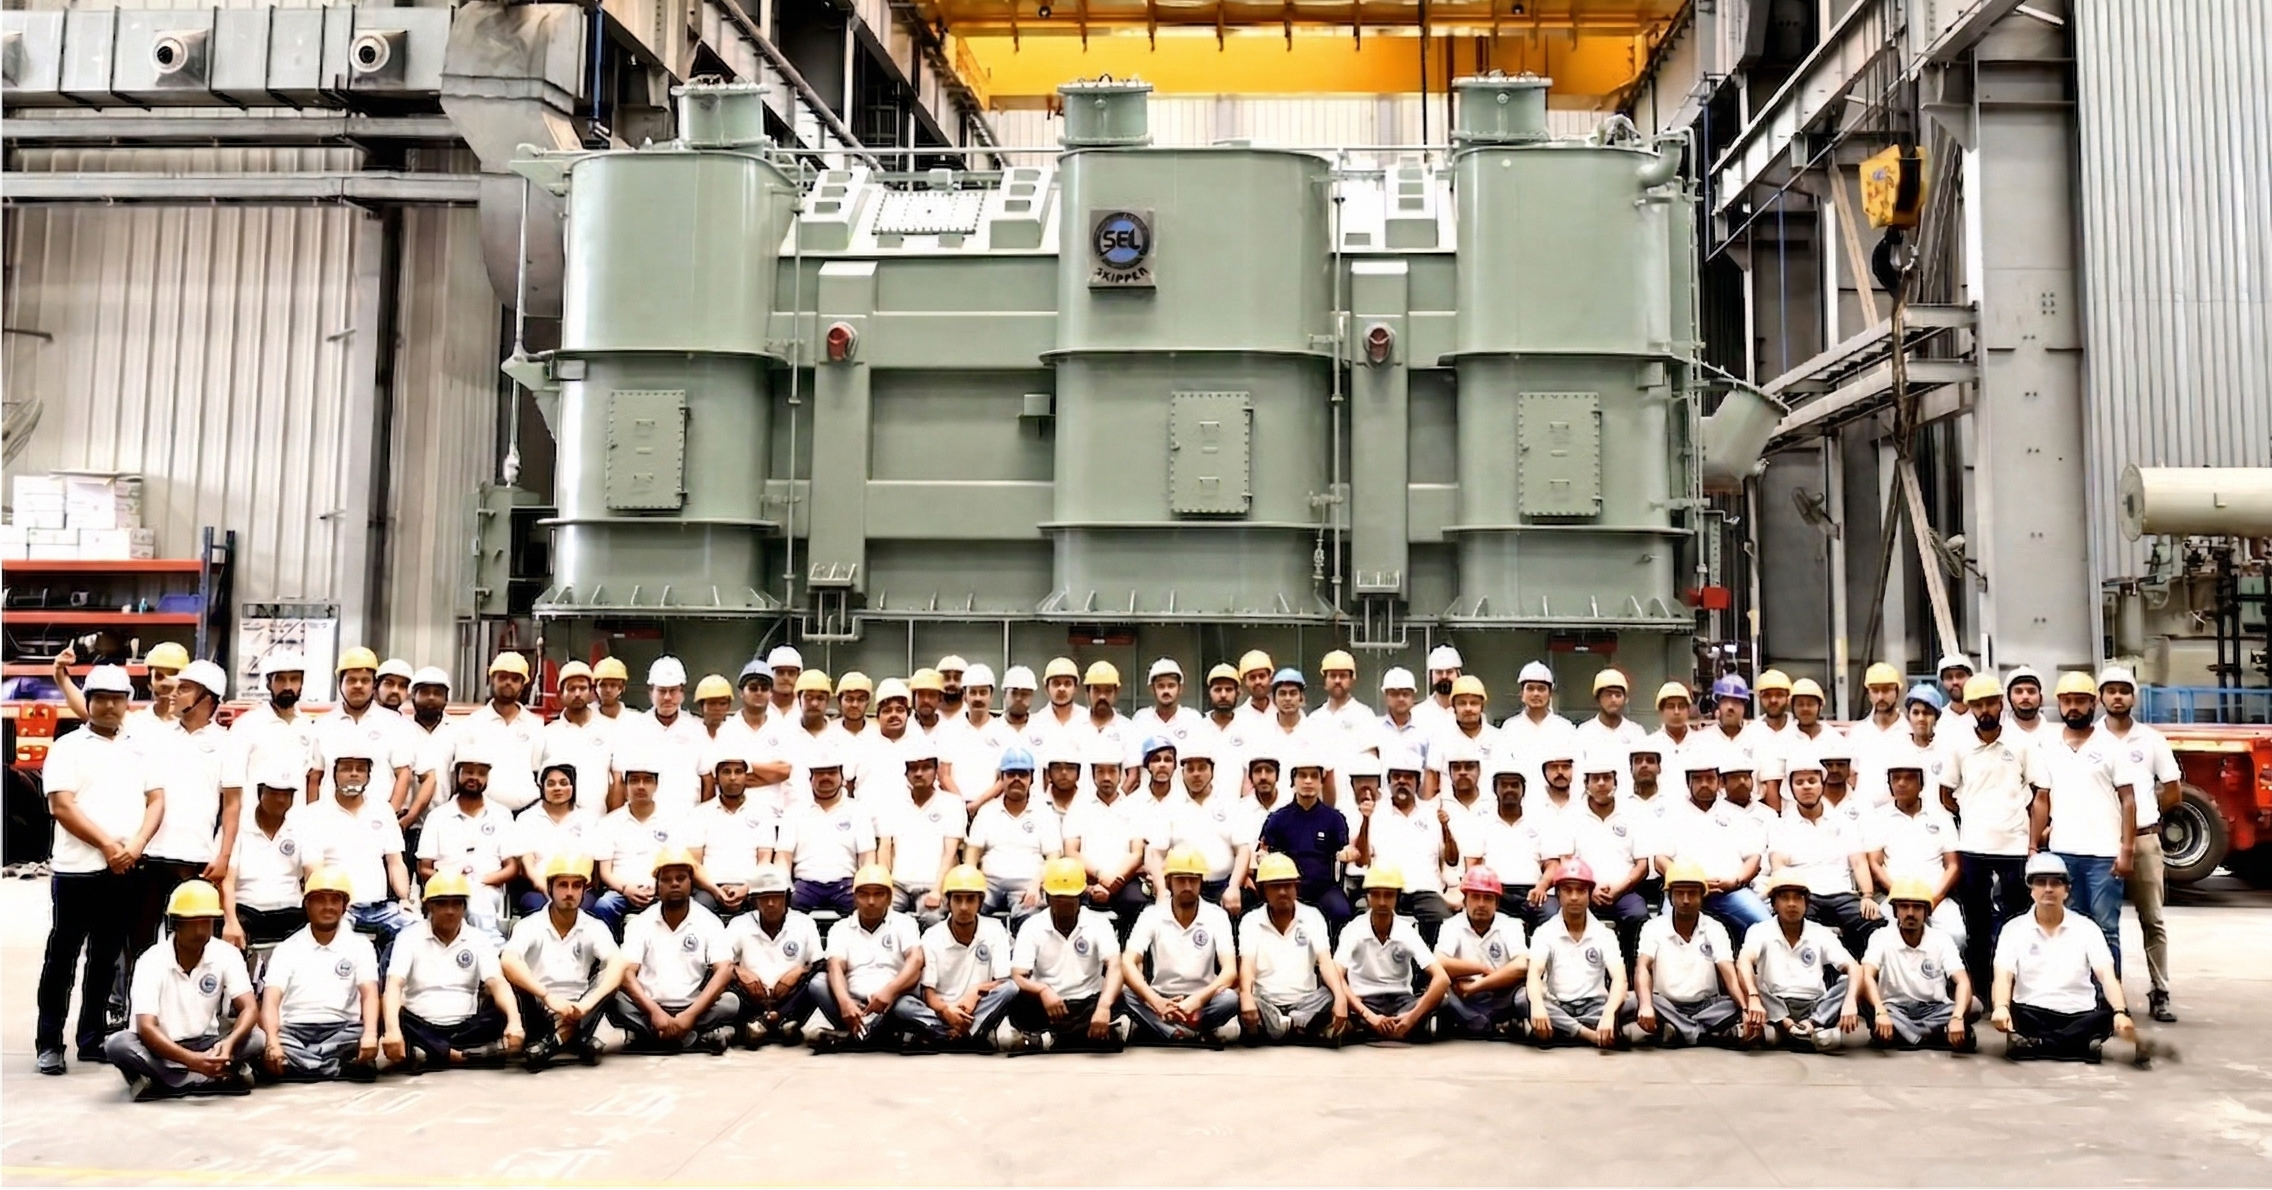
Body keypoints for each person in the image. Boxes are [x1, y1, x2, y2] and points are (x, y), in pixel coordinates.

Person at [34, 664, 164, 1075]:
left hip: (125, 869)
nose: (110, 706)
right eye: (101, 698)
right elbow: (61, 805)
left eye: (117, 698)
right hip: (78, 871)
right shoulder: (68, 748)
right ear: (87, 702)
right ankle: (49, 1043)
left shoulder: (140, 748)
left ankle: (91, 1038)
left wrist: (137, 844)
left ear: (128, 702)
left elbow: (156, 799)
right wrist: (108, 845)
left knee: (106, 960)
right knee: (63, 959)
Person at [131, 659, 241, 994]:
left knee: (194, 946)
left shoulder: (227, 743)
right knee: (142, 945)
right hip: (152, 856)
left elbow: (233, 804)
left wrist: (223, 856)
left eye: (184, 688)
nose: (173, 693)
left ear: (207, 697)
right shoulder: (158, 737)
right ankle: (139, 1015)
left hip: (198, 861)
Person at [1939, 672, 2049, 992]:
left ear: (2001, 703)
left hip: (2014, 848)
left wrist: (2031, 844)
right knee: (1977, 924)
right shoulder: (1959, 745)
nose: (1985, 710)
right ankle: (1983, 991)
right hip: (1973, 846)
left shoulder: (2022, 743)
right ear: (1970, 707)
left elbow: (2040, 794)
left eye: (1990, 702)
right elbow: (1946, 794)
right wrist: (1974, 814)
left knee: (2016, 924)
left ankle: (2014, 988)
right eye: (1978, 705)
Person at [103, 879, 259, 1099]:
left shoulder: (226, 954)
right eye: (191, 922)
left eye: (205, 922)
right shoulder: (150, 960)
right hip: (160, 1045)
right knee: (117, 1045)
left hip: (207, 1042)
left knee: (256, 1038)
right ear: (175, 923)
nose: (199, 930)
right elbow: (146, 1027)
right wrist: (192, 1061)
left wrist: (228, 1044)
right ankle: (209, 1078)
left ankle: (165, 1081)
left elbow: (249, 1008)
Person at [1992, 853, 2139, 1063]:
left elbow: (2107, 976)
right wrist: (2000, 1007)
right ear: (2031, 889)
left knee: (2104, 1018)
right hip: (2031, 1012)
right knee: (2014, 1014)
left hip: (2078, 1013)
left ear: (2067, 889)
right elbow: (2003, 976)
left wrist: (2120, 1011)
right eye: (2041, 883)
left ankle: (2038, 1044)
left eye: (2056, 883)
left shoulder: (2087, 928)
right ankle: (2078, 1046)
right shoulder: (2013, 929)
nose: (2049, 889)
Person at [2097, 664, 2181, 1022]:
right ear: (2100, 697)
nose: (2117, 696)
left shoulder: (2150, 740)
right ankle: (2106, 994)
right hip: (2101, 842)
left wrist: (2147, 816)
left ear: (2133, 696)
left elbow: (2173, 789)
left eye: (2124, 690)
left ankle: (2159, 991)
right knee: (2102, 923)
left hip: (2145, 841)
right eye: (2110, 690)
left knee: (2152, 918)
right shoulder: (2090, 738)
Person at [2039, 671, 2136, 970]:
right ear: (2058, 703)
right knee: (2068, 928)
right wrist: (2034, 846)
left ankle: (2110, 1000)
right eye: (2067, 701)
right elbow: (2041, 798)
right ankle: (2078, 997)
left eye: (2080, 701)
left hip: (2104, 856)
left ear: (2093, 703)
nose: (2073, 708)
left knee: (2106, 929)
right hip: (2063, 853)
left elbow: (2129, 800)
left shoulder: (2111, 745)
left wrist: (2127, 850)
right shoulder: (2049, 745)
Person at [381, 870, 522, 1071]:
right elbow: (394, 984)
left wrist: (514, 1021)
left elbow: (496, 982)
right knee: (385, 1008)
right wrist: (393, 1030)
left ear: (464, 907)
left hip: (465, 1027)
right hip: (421, 1024)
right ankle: (460, 1054)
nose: (450, 910)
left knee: (510, 1004)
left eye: (456, 903)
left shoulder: (478, 938)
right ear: (429, 905)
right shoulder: (408, 937)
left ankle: (432, 1053)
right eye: (442, 903)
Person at [502, 854, 626, 1070]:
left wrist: (586, 1004)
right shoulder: (530, 925)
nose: (569, 892)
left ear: (584, 890)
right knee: (511, 975)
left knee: (612, 974)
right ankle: (576, 1039)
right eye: (563, 885)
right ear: (550, 888)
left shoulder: (594, 926)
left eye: (576, 885)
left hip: (581, 1007)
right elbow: (508, 960)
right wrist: (547, 996)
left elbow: (616, 963)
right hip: (540, 1005)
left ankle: (554, 1042)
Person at [610, 848, 739, 1054]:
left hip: (693, 1008)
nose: (675, 884)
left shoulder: (709, 921)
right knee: (612, 998)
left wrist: (690, 1015)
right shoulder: (640, 923)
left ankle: (654, 1037)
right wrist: (654, 1012)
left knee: (730, 1003)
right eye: (667, 879)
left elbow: (724, 969)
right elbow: (626, 973)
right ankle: (690, 1037)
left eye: (681, 878)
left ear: (691, 882)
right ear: (657, 885)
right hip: (648, 1008)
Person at [258, 868, 381, 1082]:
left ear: (344, 906)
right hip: (294, 1031)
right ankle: (332, 1067)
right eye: (320, 900)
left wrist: (370, 1034)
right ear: (307, 904)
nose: (328, 907)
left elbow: (369, 994)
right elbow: (270, 1000)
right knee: (259, 1041)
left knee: (364, 1034)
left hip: (341, 1029)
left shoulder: (360, 946)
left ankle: (301, 1067)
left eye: (335, 900)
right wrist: (272, 1042)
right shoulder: (287, 948)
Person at [299, 741, 416, 965]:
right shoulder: (314, 815)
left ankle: (384, 987)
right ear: (334, 774)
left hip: (381, 907)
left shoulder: (382, 810)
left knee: (414, 931)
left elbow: (395, 862)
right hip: (341, 908)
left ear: (369, 776)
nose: (354, 774)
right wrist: (333, 904)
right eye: (346, 768)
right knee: (339, 940)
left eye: (360, 769)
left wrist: (405, 899)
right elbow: (313, 870)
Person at [1005, 856, 1130, 1053]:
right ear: (1047, 896)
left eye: (1069, 898)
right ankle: (1086, 1037)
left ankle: (1049, 1039)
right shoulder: (1032, 926)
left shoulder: (1098, 923)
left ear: (1080, 896)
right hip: (1048, 1005)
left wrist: (1104, 1006)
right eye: (1058, 897)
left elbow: (1115, 966)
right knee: (1017, 1001)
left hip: (1088, 1002)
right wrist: (1041, 991)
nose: (1063, 903)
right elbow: (1017, 976)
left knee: (1121, 998)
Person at [1120, 848, 1241, 1045]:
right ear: (1169, 882)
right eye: (1180, 879)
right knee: (1126, 992)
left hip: (1203, 999)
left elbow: (1229, 971)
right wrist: (1155, 1000)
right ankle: (1191, 1031)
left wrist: (1197, 1000)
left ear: (1201, 882)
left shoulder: (1216, 915)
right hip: (1161, 995)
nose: (1187, 886)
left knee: (1229, 1000)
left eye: (1193, 880)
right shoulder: (1152, 914)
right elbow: (1128, 960)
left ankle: (1170, 1030)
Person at [1767, 751, 1882, 956]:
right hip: (1805, 896)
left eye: (1812, 780)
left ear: (1822, 783)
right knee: (1796, 928)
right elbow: (1779, 867)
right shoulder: (1781, 825)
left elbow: (1858, 862)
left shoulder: (1843, 821)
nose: (1807, 787)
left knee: (1876, 926)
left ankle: (1867, 981)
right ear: (1791, 788)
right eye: (1799, 782)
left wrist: (1867, 896)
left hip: (1842, 895)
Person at [1737, 871, 1863, 1051]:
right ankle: (1798, 1031)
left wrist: (1851, 1001)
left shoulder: (1819, 932)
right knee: (1746, 975)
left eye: (1798, 898)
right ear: (1774, 903)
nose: (1791, 904)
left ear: (1806, 903)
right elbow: (1743, 961)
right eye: (1784, 898)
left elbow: (1853, 967)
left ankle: (1805, 1027)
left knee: (1853, 979)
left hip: (1813, 1006)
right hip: (1776, 1005)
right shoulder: (1760, 930)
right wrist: (1754, 998)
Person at [1654, 752, 1771, 940]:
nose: (1704, 784)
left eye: (1710, 778)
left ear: (1720, 782)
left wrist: (1735, 881)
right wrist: (1688, 879)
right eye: (1698, 779)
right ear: (1688, 783)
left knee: (1766, 926)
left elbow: (1753, 858)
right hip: (1685, 892)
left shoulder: (1736, 814)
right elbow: (1660, 860)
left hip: (1730, 892)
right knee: (1666, 934)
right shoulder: (1671, 815)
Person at [1236, 854, 1350, 1045]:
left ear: (1296, 887)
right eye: (1275, 886)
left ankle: (1283, 1027)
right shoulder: (1251, 920)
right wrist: (1246, 996)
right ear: (1264, 890)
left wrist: (1340, 998)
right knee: (1239, 998)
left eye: (1287, 885)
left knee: (1330, 994)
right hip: (1267, 1001)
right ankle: (1298, 1028)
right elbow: (1247, 966)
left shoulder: (1313, 916)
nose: (1282, 892)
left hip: (1306, 1001)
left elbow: (1325, 962)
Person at [904, 865, 1020, 1051]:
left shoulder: (995, 929)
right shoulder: (932, 936)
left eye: (970, 899)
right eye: (958, 899)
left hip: (978, 1008)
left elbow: (1002, 981)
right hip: (942, 1010)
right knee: (903, 1006)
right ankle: (967, 1034)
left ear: (980, 902)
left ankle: (952, 1035)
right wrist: (945, 1011)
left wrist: (976, 991)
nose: (964, 906)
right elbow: (928, 993)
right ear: (948, 902)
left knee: (1011, 988)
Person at [812, 864, 924, 1052]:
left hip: (892, 1002)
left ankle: (856, 1037)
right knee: (817, 983)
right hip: (853, 1004)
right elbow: (835, 967)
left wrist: (890, 991)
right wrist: (845, 1002)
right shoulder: (840, 928)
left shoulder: (904, 923)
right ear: (855, 897)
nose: (871, 901)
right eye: (864, 894)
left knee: (904, 1007)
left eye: (878, 894)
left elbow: (916, 960)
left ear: (889, 897)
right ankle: (876, 1035)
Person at [1634, 861, 1745, 1047]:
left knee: (1749, 999)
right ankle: (1706, 1034)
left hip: (1708, 1006)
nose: (1685, 900)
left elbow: (1728, 971)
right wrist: (1646, 1005)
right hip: (1666, 1004)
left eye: (1692, 893)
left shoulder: (1715, 928)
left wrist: (1745, 1007)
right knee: (1632, 1000)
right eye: (1679, 893)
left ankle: (1680, 1031)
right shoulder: (1653, 927)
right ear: (1670, 897)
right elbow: (1642, 967)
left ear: (1702, 896)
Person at [1523, 860, 1634, 1048]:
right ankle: (1589, 1034)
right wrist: (1538, 1007)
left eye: (1581, 890)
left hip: (1596, 1007)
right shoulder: (1545, 932)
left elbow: (1619, 979)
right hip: (1559, 1006)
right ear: (1557, 894)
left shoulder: (1604, 933)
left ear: (1590, 894)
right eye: (1568, 890)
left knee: (1643, 1000)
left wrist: (1608, 1015)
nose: (1574, 897)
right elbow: (1534, 974)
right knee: (1521, 999)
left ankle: (1566, 1030)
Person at [1335, 865, 1451, 1043]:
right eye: (1376, 894)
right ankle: (1376, 1026)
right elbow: (1336, 975)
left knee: (1442, 999)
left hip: (1401, 1002)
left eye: (1388, 895)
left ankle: (1393, 1026)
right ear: (1368, 896)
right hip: (1364, 1001)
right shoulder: (1353, 929)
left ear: (1397, 897)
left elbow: (1442, 978)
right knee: (1331, 995)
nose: (1382, 902)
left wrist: (1411, 1017)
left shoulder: (1406, 930)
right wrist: (1368, 1015)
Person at [413, 748, 517, 943]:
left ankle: (491, 955)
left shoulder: (502, 815)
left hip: (489, 888)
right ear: (457, 774)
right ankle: (495, 954)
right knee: (470, 902)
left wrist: (482, 881)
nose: (474, 778)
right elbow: (424, 868)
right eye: (468, 772)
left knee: (478, 902)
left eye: (481, 773)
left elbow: (512, 867)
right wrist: (452, 882)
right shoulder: (437, 816)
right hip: (446, 889)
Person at [1859, 877, 1974, 1051]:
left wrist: (1957, 1017)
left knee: (1973, 1005)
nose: (1910, 913)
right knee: (1861, 992)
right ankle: (1934, 1036)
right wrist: (1880, 1012)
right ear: (1895, 911)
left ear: (1927, 912)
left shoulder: (1941, 939)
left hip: (1934, 1009)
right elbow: (1867, 975)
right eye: (1904, 906)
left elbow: (1962, 981)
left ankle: (1904, 1036)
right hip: (1893, 1009)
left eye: (1917, 907)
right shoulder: (1880, 937)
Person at [1352, 749, 1454, 943]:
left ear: (1417, 782)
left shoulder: (1432, 814)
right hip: (1386, 890)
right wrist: (1365, 821)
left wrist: (1446, 827)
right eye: (1396, 776)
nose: (1402, 781)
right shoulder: (1376, 813)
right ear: (1388, 782)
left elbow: (1452, 858)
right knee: (1365, 927)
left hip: (1425, 890)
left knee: (1445, 924)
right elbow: (1362, 861)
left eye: (1408, 777)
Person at [1864, 757, 1965, 948]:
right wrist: (1899, 898)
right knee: (1887, 939)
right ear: (1890, 784)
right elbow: (1875, 864)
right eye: (1896, 779)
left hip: (1936, 897)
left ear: (1921, 783)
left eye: (1909, 778)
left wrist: (1933, 900)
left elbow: (1953, 865)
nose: (1902, 783)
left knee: (1956, 935)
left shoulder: (1942, 816)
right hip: (1893, 897)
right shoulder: (1878, 818)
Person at [1564, 749, 1650, 963]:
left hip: (1624, 891)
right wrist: (1589, 889)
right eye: (1595, 779)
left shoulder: (1633, 814)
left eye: (1607, 778)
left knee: (1639, 916)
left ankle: (1629, 975)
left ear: (1616, 782)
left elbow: (1642, 865)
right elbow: (1566, 861)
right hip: (1582, 891)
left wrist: (1619, 890)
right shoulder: (1571, 815)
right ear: (1586, 784)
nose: (1601, 783)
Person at [596, 751, 696, 931]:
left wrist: (659, 886)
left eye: (647, 780)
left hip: (662, 889)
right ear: (625, 785)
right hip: (621, 891)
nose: (640, 786)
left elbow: (678, 862)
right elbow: (605, 872)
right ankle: (610, 957)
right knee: (603, 905)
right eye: (634, 780)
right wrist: (626, 889)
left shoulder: (673, 821)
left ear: (656, 785)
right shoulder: (609, 823)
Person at [723, 864, 821, 1047]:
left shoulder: (804, 923)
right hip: (751, 996)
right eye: (764, 897)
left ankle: (774, 1021)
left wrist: (799, 971)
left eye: (776, 897)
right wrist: (739, 972)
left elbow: (819, 963)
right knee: (725, 981)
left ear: (787, 897)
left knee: (817, 982)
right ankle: (775, 1024)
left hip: (791, 996)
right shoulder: (739, 924)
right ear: (754, 900)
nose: (770, 904)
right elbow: (720, 962)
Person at [965, 745, 1063, 928]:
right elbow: (972, 853)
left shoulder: (1045, 813)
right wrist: (972, 883)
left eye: (1023, 774)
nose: (1016, 779)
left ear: (1031, 779)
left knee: (1032, 919)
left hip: (1028, 884)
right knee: (964, 909)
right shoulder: (987, 811)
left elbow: (1053, 859)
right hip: (989, 883)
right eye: (1011, 774)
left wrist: (1036, 886)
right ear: (1001, 778)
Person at [1159, 737, 1258, 913]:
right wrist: (1161, 889)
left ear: (1212, 771)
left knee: (1247, 900)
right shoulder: (1170, 806)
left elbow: (1243, 850)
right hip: (1182, 887)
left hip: (1222, 886)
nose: (1196, 774)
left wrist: (1234, 887)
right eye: (1190, 769)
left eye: (1202, 768)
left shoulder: (1229, 804)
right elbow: (1155, 852)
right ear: (1182, 773)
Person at [1258, 748, 1355, 927]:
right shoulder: (1277, 818)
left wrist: (1347, 852)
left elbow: (1343, 849)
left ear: (1321, 781)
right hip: (1286, 888)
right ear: (1293, 781)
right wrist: (1262, 856)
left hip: (1323, 889)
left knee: (1341, 911)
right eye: (1302, 775)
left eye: (1313, 776)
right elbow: (1263, 849)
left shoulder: (1334, 819)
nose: (1308, 781)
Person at [222, 761, 313, 951]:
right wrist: (230, 922)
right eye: (274, 793)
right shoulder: (237, 827)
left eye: (286, 794)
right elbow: (226, 880)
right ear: (260, 793)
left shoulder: (302, 828)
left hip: (290, 910)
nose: (280, 800)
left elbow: (314, 875)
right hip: (246, 909)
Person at [877, 737, 964, 930]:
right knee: (879, 916)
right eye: (913, 768)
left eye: (926, 768)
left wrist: (937, 890)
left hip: (932, 886)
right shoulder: (891, 803)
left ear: (935, 771)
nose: (919, 773)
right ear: (906, 772)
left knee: (932, 920)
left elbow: (950, 854)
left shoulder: (952, 804)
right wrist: (885, 888)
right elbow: (884, 849)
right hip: (898, 885)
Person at [1433, 867, 1530, 1039]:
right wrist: (1482, 969)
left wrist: (1474, 987)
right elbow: (1438, 963)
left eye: (1488, 898)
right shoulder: (1451, 925)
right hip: (1463, 1000)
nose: (1481, 904)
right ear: (1465, 901)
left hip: (1500, 997)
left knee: (1525, 997)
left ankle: (1476, 1024)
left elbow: (1521, 966)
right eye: (1475, 897)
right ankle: (1481, 1023)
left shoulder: (1511, 925)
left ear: (1497, 903)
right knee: (1438, 994)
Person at [1466, 757, 1560, 932]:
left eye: (1515, 785)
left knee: (1552, 915)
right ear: (1495, 789)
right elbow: (1472, 866)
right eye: (1504, 785)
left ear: (1523, 789)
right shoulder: (1480, 822)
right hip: (1494, 892)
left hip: (1533, 892)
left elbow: (1553, 865)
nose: (1510, 790)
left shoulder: (1541, 820)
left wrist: (1541, 887)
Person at [688, 745, 773, 920]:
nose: (733, 777)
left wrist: (745, 888)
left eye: (738, 772)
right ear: (716, 778)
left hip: (751, 887)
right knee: (697, 914)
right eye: (726, 772)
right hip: (709, 888)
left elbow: (765, 859)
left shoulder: (763, 813)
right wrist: (716, 890)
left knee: (770, 913)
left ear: (746, 777)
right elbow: (694, 863)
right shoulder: (699, 814)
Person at [459, 652, 546, 814]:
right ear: (492, 679)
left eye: (515, 679)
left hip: (528, 812)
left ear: (523, 684)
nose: (508, 683)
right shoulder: (473, 723)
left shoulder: (536, 724)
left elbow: (537, 771)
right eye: (502, 677)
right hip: (484, 813)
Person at [511, 763, 602, 916]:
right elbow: (527, 862)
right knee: (541, 910)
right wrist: (543, 885)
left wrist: (571, 889)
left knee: (579, 911)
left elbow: (589, 861)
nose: (557, 788)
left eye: (564, 783)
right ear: (542, 787)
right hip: (538, 889)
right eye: (551, 784)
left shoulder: (589, 819)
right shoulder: (526, 819)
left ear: (573, 786)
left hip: (579, 889)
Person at [542, 660, 619, 812]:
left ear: (591, 692)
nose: (577, 694)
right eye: (571, 689)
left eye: (582, 688)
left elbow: (617, 781)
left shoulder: (610, 729)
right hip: (560, 823)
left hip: (599, 821)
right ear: (560, 694)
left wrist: (613, 820)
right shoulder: (547, 734)